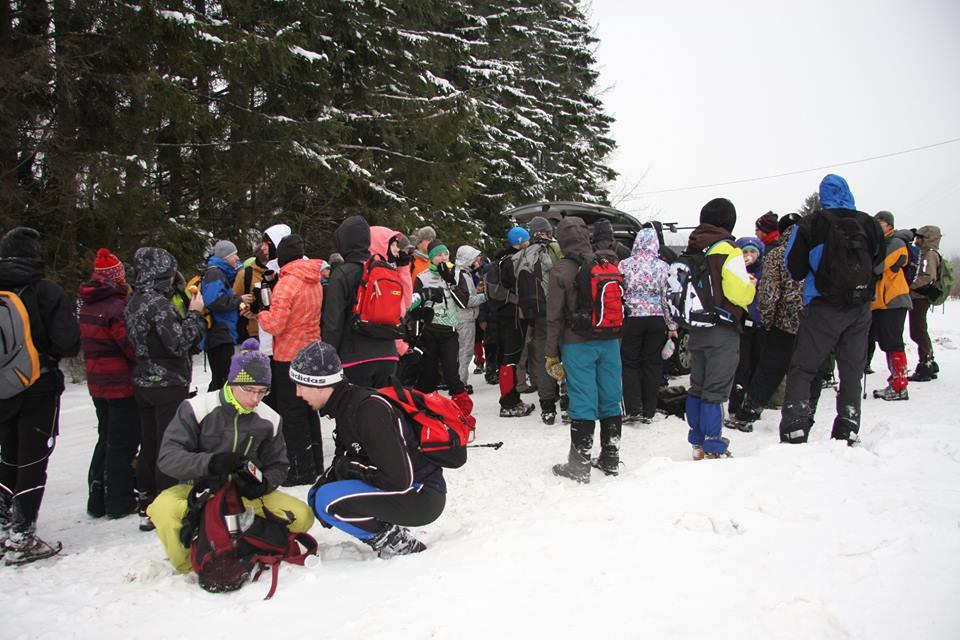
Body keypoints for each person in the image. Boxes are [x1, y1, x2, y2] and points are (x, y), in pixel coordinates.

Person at [148, 339, 314, 573]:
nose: (255, 399)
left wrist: (264, 483)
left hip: (243, 495)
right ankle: (190, 565)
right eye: (249, 390)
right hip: (198, 491)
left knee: (302, 516)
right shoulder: (197, 408)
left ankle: (247, 543)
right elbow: (168, 457)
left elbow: (278, 465)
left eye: (262, 392)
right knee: (162, 508)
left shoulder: (270, 419)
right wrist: (211, 463)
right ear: (232, 382)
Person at [293, 341, 445, 558]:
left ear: (320, 385)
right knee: (318, 494)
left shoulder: (367, 410)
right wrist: (333, 474)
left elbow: (398, 478)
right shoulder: (345, 405)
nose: (298, 393)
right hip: (407, 487)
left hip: (422, 493)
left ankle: (398, 543)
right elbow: (352, 457)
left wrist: (345, 468)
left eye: (301, 385)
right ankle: (387, 528)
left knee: (327, 499)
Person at [779, 174, 885, 444]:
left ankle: (795, 427)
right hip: (860, 308)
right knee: (851, 369)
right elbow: (878, 265)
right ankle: (847, 427)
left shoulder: (812, 224)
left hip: (822, 305)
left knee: (804, 368)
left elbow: (795, 267)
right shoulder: (870, 224)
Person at [0, 227, 81, 564]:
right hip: (39, 385)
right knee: (33, 460)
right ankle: (21, 535)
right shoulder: (46, 292)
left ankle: (4, 523)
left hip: (2, 387)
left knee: (8, 455)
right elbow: (67, 343)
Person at [125, 247, 206, 530]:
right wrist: (196, 315)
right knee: (168, 443)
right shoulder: (157, 305)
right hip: (167, 382)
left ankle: (147, 498)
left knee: (149, 442)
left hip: (144, 380)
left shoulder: (134, 301)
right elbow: (178, 343)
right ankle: (165, 502)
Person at [546, 217, 624, 482]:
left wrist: (550, 353)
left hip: (577, 343)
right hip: (610, 339)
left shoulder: (561, 270)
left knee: (582, 399)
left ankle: (579, 466)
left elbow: (554, 318)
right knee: (610, 396)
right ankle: (610, 457)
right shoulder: (606, 263)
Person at [680, 199, 755, 460]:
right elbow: (738, 293)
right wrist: (751, 286)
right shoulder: (727, 249)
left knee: (697, 387)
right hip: (722, 328)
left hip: (697, 327)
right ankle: (713, 445)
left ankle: (697, 442)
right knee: (715, 389)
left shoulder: (694, 247)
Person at [726, 214, 809, 431]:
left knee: (768, 369)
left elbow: (769, 295)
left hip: (783, 323)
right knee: (807, 369)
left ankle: (748, 413)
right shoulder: (816, 251)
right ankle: (804, 413)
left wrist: (767, 321)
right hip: (813, 321)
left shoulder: (779, 255)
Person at [254, 234, 325, 485]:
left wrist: (261, 312)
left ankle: (299, 469)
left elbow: (275, 324)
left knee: (292, 414)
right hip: (312, 351)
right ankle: (315, 462)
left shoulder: (287, 283)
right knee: (309, 409)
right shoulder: (313, 279)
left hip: (289, 355)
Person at [79, 249, 140, 519]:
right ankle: (119, 500)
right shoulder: (116, 308)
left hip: (98, 383)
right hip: (120, 384)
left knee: (105, 438)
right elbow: (129, 346)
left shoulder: (89, 304)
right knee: (122, 443)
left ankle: (97, 497)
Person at [324, 216, 400, 387]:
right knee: (383, 409)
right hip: (388, 354)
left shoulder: (341, 274)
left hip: (355, 357)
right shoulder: (383, 270)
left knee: (357, 411)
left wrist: (328, 358)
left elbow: (333, 323)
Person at [618, 227, 678, 424]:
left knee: (630, 363)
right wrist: (671, 325)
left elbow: (619, 293)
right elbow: (666, 298)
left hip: (632, 317)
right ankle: (649, 410)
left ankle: (633, 408)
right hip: (656, 318)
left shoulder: (624, 265)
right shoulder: (663, 266)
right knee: (652, 363)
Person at [411, 240, 474, 418]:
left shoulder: (457, 273)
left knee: (452, 375)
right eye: (438, 255)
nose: (443, 257)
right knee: (429, 376)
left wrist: (450, 282)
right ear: (431, 258)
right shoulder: (422, 277)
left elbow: (463, 303)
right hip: (429, 332)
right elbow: (412, 307)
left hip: (449, 332)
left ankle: (462, 413)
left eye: (446, 253)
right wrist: (423, 310)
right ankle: (429, 413)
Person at [514, 216, 564, 424]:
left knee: (546, 356)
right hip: (558, 310)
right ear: (547, 231)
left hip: (536, 314)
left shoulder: (521, 255)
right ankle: (567, 403)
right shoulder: (555, 249)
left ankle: (547, 406)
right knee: (565, 354)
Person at [868, 211, 914, 401]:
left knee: (893, 342)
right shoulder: (883, 243)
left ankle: (899, 385)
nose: (878, 225)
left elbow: (877, 267)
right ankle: (895, 382)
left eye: (881, 222)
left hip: (894, 300)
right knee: (887, 342)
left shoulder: (895, 243)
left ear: (889, 224)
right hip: (883, 301)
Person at [201, 240, 254, 391]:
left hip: (225, 333)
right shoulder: (214, 273)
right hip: (219, 334)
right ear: (225, 257)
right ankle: (216, 411)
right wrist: (239, 300)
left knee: (226, 377)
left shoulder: (221, 273)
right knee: (222, 379)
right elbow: (212, 300)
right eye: (234, 255)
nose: (237, 258)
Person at [728, 236, 765, 416]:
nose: (749, 256)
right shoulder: (736, 271)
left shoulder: (763, 271)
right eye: (745, 252)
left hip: (760, 323)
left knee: (757, 364)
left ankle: (750, 403)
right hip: (742, 323)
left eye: (752, 252)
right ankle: (735, 404)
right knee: (742, 365)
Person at [908, 225, 943, 381]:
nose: (916, 240)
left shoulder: (929, 254)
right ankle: (929, 360)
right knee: (920, 330)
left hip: (919, 298)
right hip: (920, 297)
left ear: (927, 238)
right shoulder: (928, 253)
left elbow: (927, 277)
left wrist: (909, 287)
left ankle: (925, 364)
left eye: (919, 237)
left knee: (917, 331)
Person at [453, 245, 486, 392]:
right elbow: (466, 301)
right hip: (465, 318)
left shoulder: (459, 273)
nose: (476, 260)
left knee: (460, 352)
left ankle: (459, 382)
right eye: (474, 257)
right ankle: (461, 385)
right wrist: (485, 296)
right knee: (464, 353)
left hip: (461, 317)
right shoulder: (462, 275)